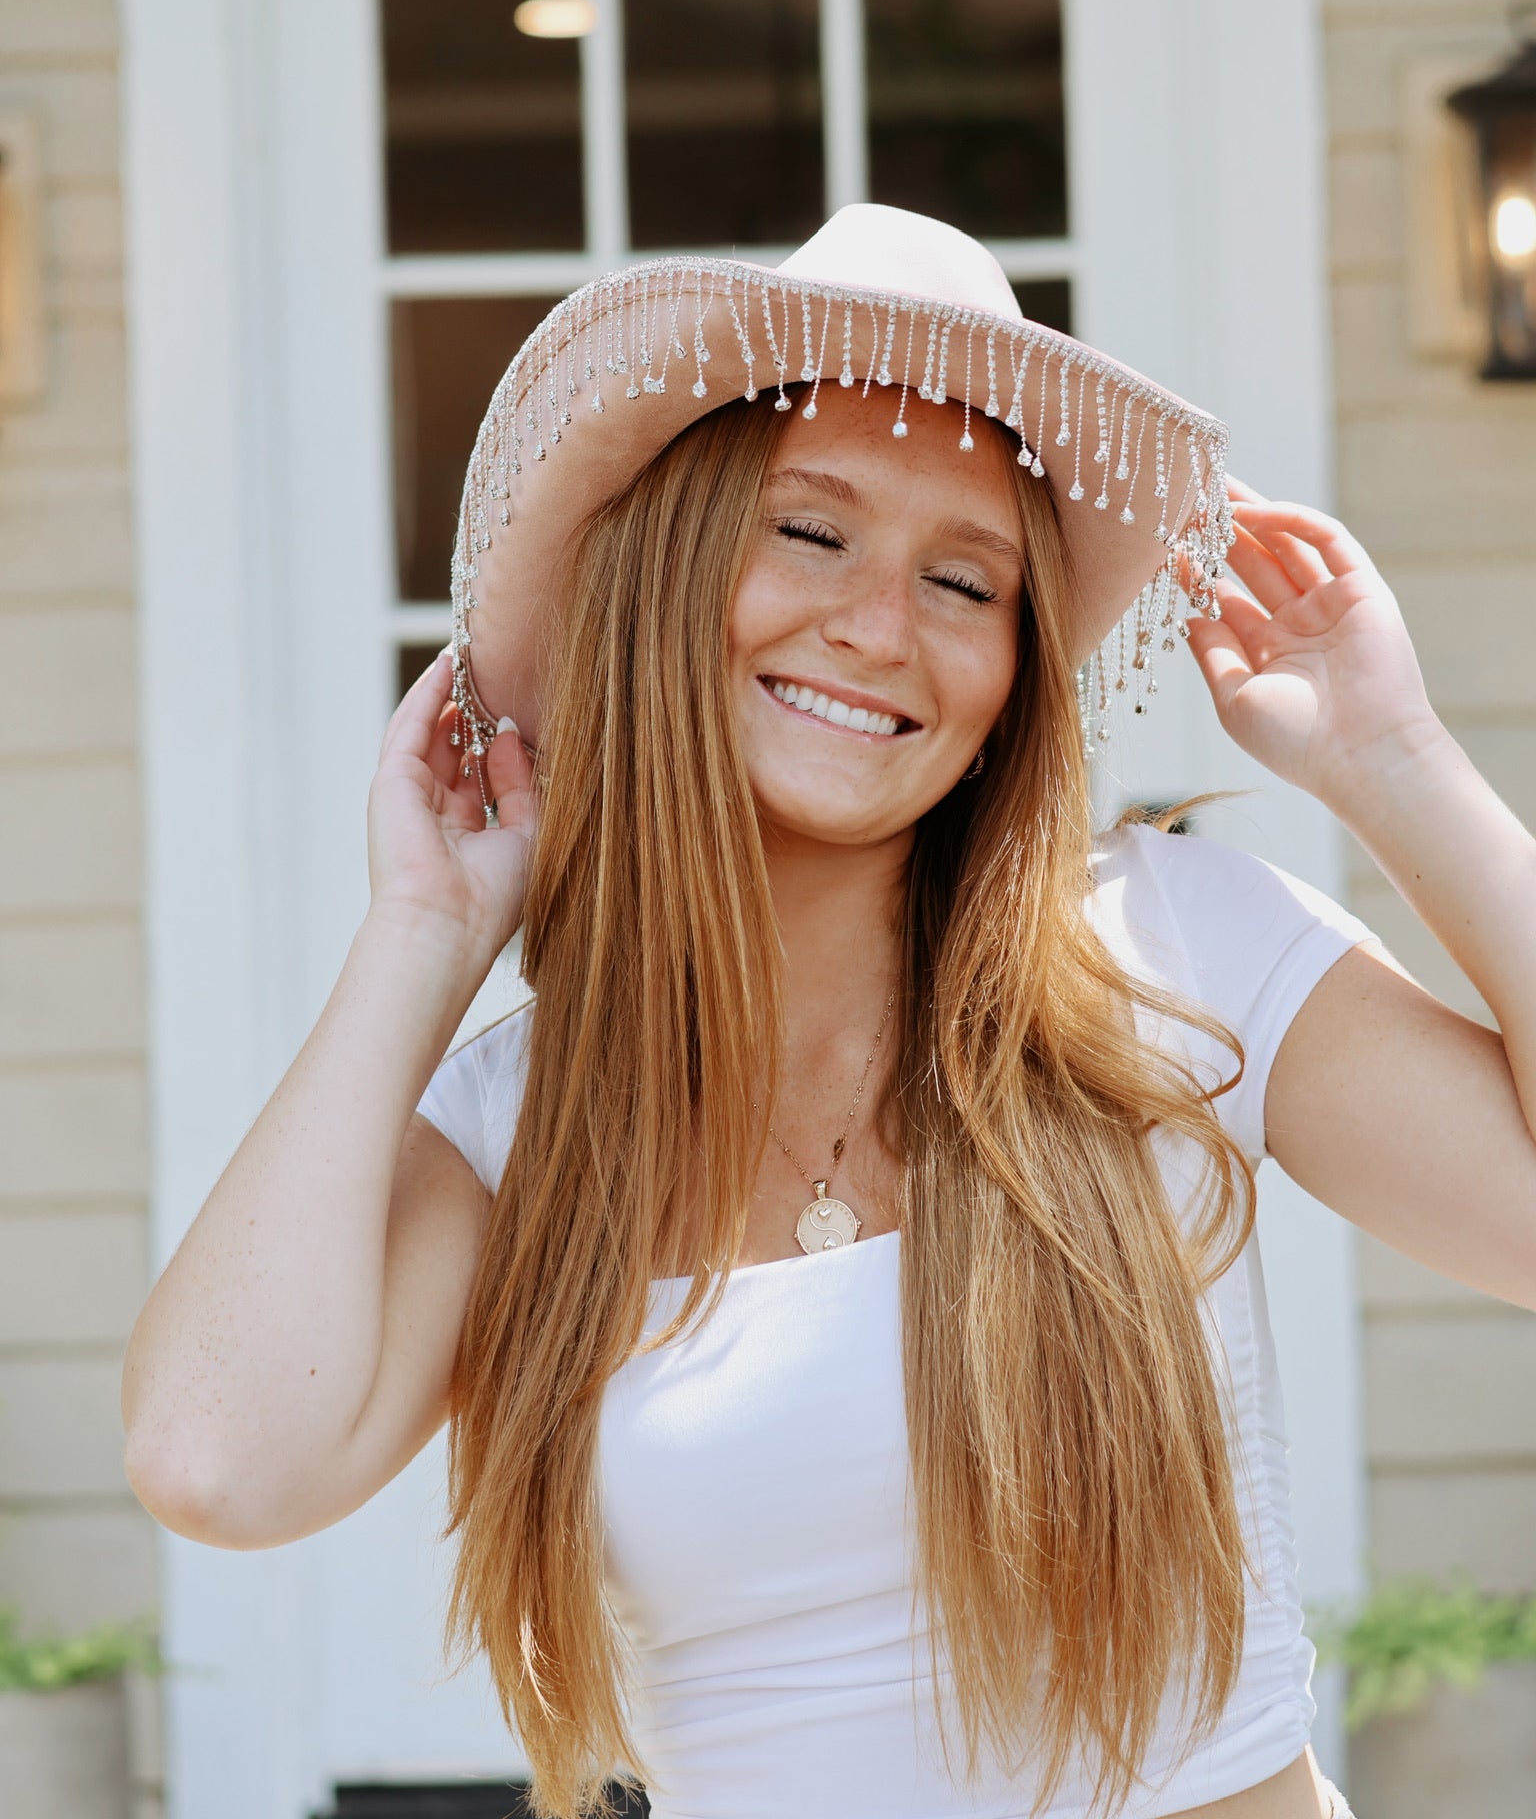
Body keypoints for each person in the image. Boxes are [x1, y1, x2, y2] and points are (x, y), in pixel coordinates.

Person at [123, 206, 1536, 1819]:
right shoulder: (525, 1126)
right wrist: (424, 933)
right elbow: (214, 1463)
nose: (881, 625)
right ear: (669, 576)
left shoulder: (1177, 955)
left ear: (1012, 671)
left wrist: (1396, 765)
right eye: (811, 534)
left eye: (964, 578)